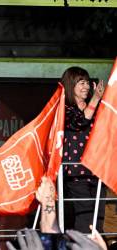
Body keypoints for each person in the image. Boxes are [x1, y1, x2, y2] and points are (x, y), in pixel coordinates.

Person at [60, 66, 107, 233]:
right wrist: (95, 99)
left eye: (87, 82)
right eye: (81, 82)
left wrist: (101, 101)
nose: (86, 86)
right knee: (84, 214)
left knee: (99, 216)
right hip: (76, 171)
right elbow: (79, 122)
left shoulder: (97, 108)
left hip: (97, 170)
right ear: (70, 85)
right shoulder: (65, 109)